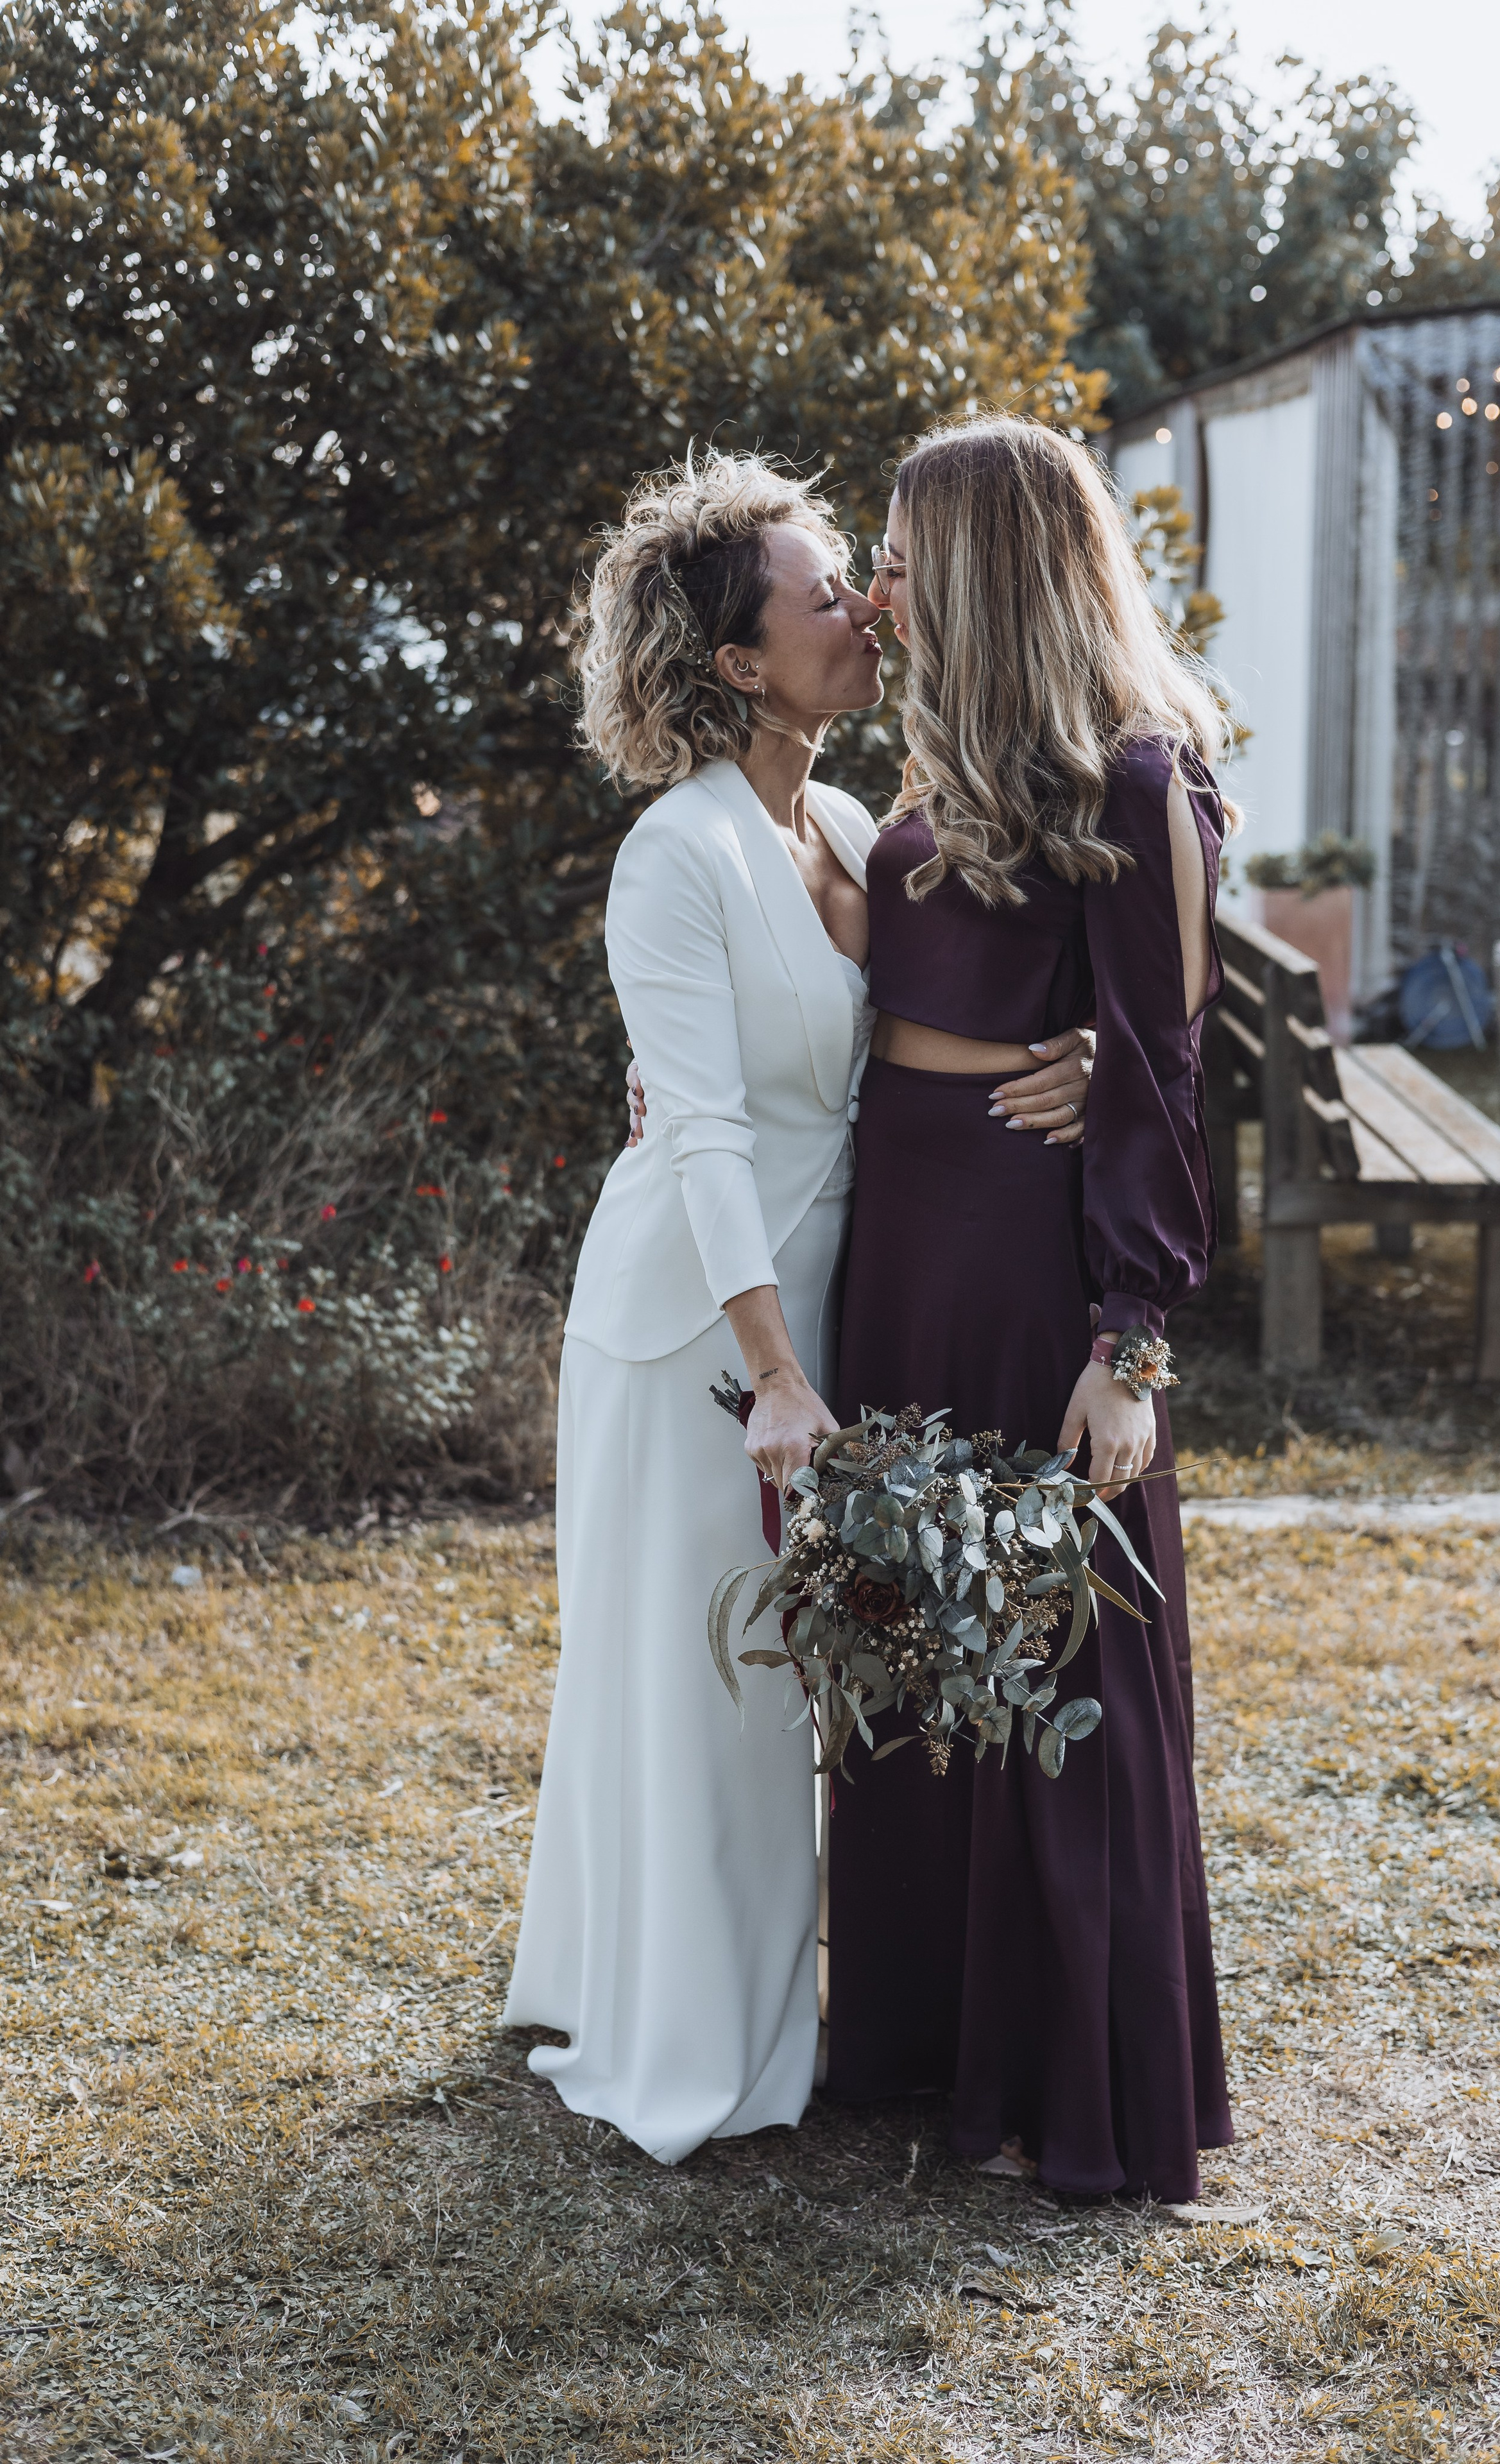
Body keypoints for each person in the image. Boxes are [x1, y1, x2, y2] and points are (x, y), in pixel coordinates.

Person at [504, 447, 1091, 2165]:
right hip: (700, 1328)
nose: (864, 610)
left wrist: (1086, 1054)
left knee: (809, 1675)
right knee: (711, 1683)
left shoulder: (847, 823)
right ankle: (693, 2041)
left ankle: (727, 1989)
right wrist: (772, 1372)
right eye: (826, 592)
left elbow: (934, 1026)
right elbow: (698, 1128)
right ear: (739, 661)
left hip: (837, 1305)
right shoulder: (673, 854)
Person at [825, 415, 1235, 2204]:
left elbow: (1165, 1068)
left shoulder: (1138, 780)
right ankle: (923, 2039)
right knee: (913, 1632)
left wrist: (1126, 1344)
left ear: (988, 567)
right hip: (899, 1243)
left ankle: (1069, 2074)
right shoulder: (932, 773)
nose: (876, 590)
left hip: (1024, 1256)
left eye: (902, 556)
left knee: (1058, 1645)